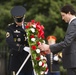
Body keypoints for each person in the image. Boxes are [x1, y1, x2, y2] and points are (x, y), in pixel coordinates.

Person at [38, 4, 76, 75]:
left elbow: (66, 42)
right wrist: (51, 50)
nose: (62, 18)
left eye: (63, 15)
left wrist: (49, 47)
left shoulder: (73, 24)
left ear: (69, 13)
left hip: (73, 62)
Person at [6, 6, 34, 75]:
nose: (19, 22)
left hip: (28, 60)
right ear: (14, 18)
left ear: (24, 17)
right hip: (17, 60)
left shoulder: (29, 27)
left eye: (20, 20)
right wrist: (23, 48)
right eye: (17, 20)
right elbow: (10, 42)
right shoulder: (11, 28)